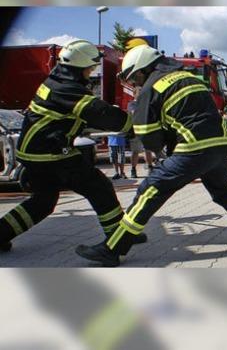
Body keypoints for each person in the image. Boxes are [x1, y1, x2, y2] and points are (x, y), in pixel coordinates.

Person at [75, 45, 227, 266]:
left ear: (143, 69)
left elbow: (148, 138)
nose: (135, 83)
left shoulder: (151, 88)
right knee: (223, 193)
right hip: (221, 145)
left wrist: (162, 142)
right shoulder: (188, 77)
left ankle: (113, 249)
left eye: (135, 77)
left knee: (150, 190)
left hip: (193, 148)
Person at [0, 40, 145, 253]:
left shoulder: (56, 82)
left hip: (36, 151)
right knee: (98, 186)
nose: (91, 71)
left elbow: (78, 116)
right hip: (49, 153)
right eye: (90, 67)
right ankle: (119, 237)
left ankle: (1, 233)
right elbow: (99, 113)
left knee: (43, 202)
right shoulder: (67, 89)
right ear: (80, 67)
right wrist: (132, 125)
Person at [127, 94, 155, 178]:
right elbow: (134, 113)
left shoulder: (147, 103)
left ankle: (150, 167)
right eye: (138, 93)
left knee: (148, 150)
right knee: (135, 151)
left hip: (146, 129)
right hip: (136, 131)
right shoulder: (132, 104)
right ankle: (133, 170)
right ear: (134, 95)